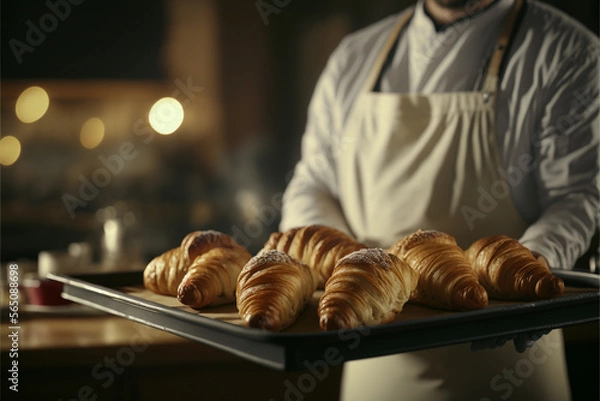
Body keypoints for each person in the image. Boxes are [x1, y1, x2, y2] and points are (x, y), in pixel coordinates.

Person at [280, 0, 598, 399]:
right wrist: (354, 271)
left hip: (508, 367)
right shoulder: (354, 56)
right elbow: (313, 182)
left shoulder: (564, 50)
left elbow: (576, 197)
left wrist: (524, 277)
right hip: (374, 368)